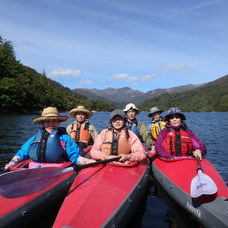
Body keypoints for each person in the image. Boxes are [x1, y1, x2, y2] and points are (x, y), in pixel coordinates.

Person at [5, 107, 95, 169]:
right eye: (47, 121)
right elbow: (22, 153)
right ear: (43, 123)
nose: (51, 124)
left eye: (54, 121)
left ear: (59, 122)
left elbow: (76, 157)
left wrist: (87, 161)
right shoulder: (34, 138)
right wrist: (12, 162)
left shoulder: (65, 138)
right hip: (34, 170)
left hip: (57, 171)